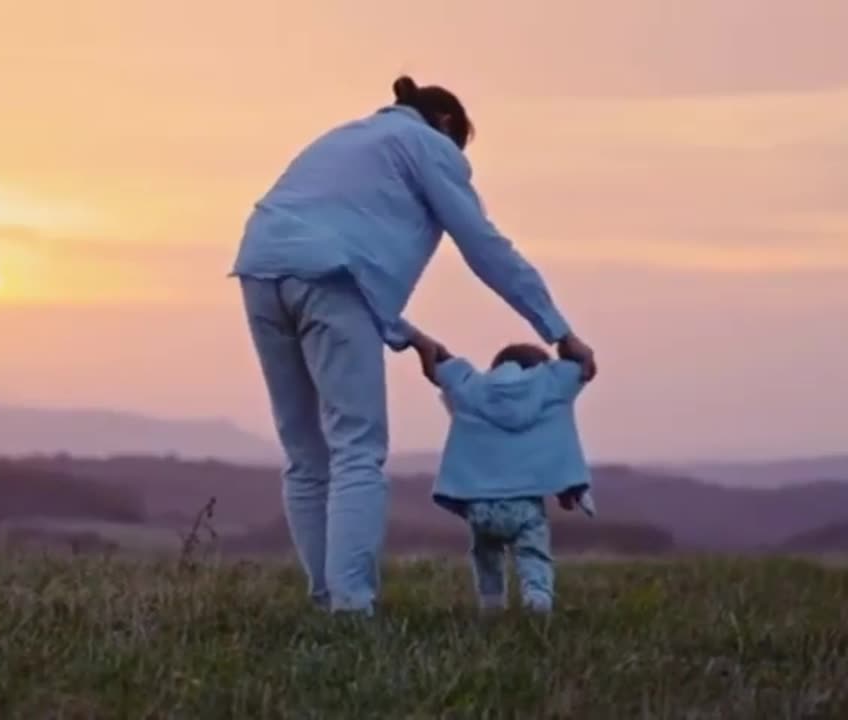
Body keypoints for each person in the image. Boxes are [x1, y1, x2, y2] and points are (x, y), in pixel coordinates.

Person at [230, 75, 597, 615]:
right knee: (357, 447)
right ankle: (352, 610)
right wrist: (558, 331)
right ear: (447, 124)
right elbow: (484, 247)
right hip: (333, 280)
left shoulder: (345, 138)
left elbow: (343, 243)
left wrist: (405, 334)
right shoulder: (427, 145)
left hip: (260, 267)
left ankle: (324, 600)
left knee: (306, 453)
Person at [425, 342, 594, 614]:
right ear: (542, 369)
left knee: (486, 554)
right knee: (533, 554)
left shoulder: (473, 389)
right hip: (524, 505)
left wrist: (437, 352)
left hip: (478, 506)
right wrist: (569, 346)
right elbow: (580, 367)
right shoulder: (551, 385)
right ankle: (537, 599)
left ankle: (491, 604)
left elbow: (443, 369)